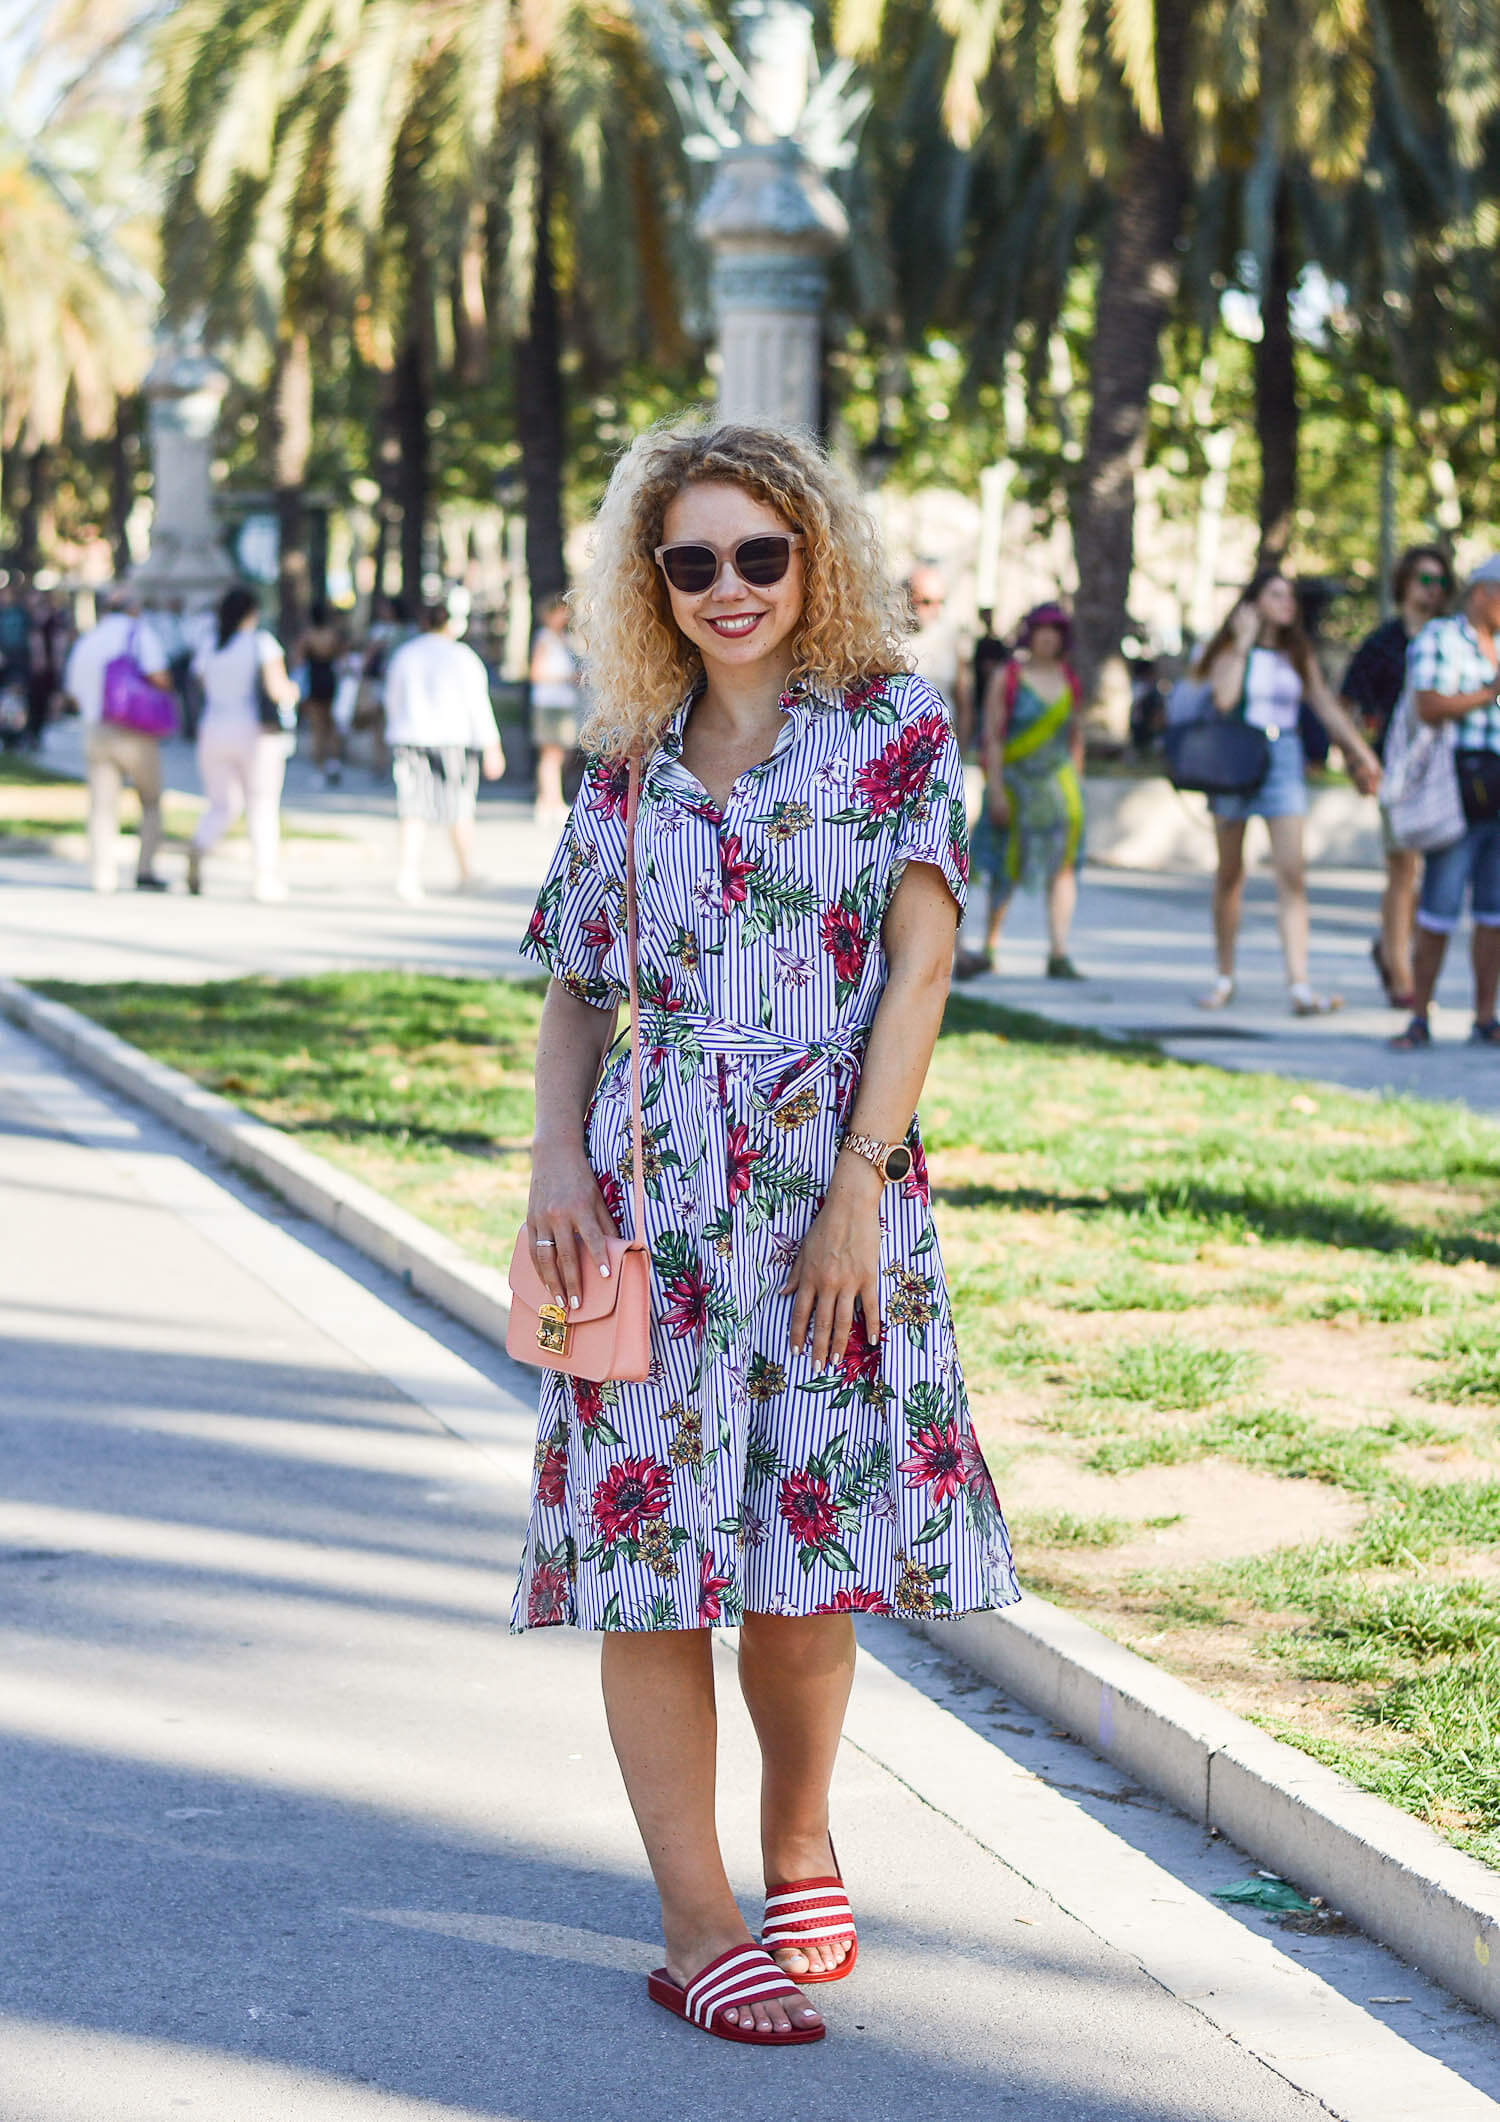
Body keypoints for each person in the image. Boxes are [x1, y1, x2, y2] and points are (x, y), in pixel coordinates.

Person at [518, 420, 1017, 2048]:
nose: (728, 587)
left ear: (812, 555)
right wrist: (555, 1168)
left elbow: (922, 968)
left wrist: (861, 1185)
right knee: (649, 1569)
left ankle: (798, 1835)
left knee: (811, 1568)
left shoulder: (892, 731)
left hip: (827, 1201)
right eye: (692, 562)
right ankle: (695, 1920)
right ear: (651, 585)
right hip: (646, 1206)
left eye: (758, 553)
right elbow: (580, 986)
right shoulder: (625, 758)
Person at [1194, 570, 1382, 1014]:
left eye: (1290, 597)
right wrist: (1241, 644)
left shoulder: (1297, 652)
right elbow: (1222, 699)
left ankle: (1298, 983)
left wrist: (1360, 753)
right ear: (1254, 601)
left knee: (1292, 873)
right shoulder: (1227, 648)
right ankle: (1224, 976)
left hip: (1283, 755)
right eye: (1275, 595)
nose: (1287, 603)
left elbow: (1323, 704)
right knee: (1230, 873)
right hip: (1235, 756)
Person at [1389, 556, 1500, 1051]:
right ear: (1482, 592)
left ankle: (1484, 1018)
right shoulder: (1439, 638)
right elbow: (1428, 704)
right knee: (1437, 909)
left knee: (1494, 915)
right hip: (1457, 790)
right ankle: (1419, 1017)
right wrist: (1488, 693)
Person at [1341, 547, 1454, 1009]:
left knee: (1437, 874)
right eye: (1426, 579)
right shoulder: (1383, 643)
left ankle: (1391, 946)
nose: (1434, 589)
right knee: (1402, 869)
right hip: (1396, 771)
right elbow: (1345, 705)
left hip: (1445, 772)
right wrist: (1358, 759)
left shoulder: (1454, 640)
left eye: (1441, 581)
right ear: (1406, 583)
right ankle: (1401, 973)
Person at [956, 602, 1085, 981]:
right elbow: (993, 735)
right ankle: (990, 945)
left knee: (1062, 868)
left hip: (1058, 788)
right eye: (1042, 629)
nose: (1048, 637)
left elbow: (1074, 735)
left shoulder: (1069, 678)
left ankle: (1058, 951)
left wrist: (1076, 782)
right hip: (1014, 785)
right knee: (1004, 866)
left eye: (1055, 630)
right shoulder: (1008, 676)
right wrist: (994, 789)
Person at [384, 598, 505, 900]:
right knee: (460, 805)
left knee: (413, 806)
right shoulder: (463, 657)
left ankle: (408, 873)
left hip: (412, 736)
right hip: (454, 739)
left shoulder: (405, 655)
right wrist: (492, 746)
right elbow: (478, 705)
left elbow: (392, 698)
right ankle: (464, 870)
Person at [187, 586, 300, 902]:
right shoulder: (261, 644)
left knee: (221, 804)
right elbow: (278, 689)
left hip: (213, 729)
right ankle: (264, 878)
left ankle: (199, 846)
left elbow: (199, 684)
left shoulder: (210, 645)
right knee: (262, 804)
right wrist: (294, 692)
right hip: (255, 734)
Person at [61, 588, 173, 893]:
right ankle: (145, 868)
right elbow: (159, 676)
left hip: (96, 728)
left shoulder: (87, 641)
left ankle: (102, 874)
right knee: (150, 801)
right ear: (131, 607)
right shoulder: (139, 635)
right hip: (134, 729)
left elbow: (72, 690)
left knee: (101, 804)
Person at [905, 563, 973, 754]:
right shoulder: (885, 638)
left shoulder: (951, 638)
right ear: (907, 598)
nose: (935, 609)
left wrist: (960, 753)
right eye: (926, 601)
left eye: (940, 601)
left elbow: (963, 700)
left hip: (940, 749)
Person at [528, 593, 581, 830]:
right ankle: (551, 801)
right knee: (551, 755)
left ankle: (546, 800)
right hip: (549, 702)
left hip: (563, 703)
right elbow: (536, 673)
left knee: (560, 754)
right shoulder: (544, 638)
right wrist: (566, 678)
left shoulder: (563, 638)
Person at [298, 602, 345, 786]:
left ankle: (319, 767)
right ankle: (333, 763)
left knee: (317, 728)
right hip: (330, 680)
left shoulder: (307, 636)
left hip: (314, 680)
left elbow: (299, 659)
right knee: (331, 725)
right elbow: (342, 657)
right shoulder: (333, 635)